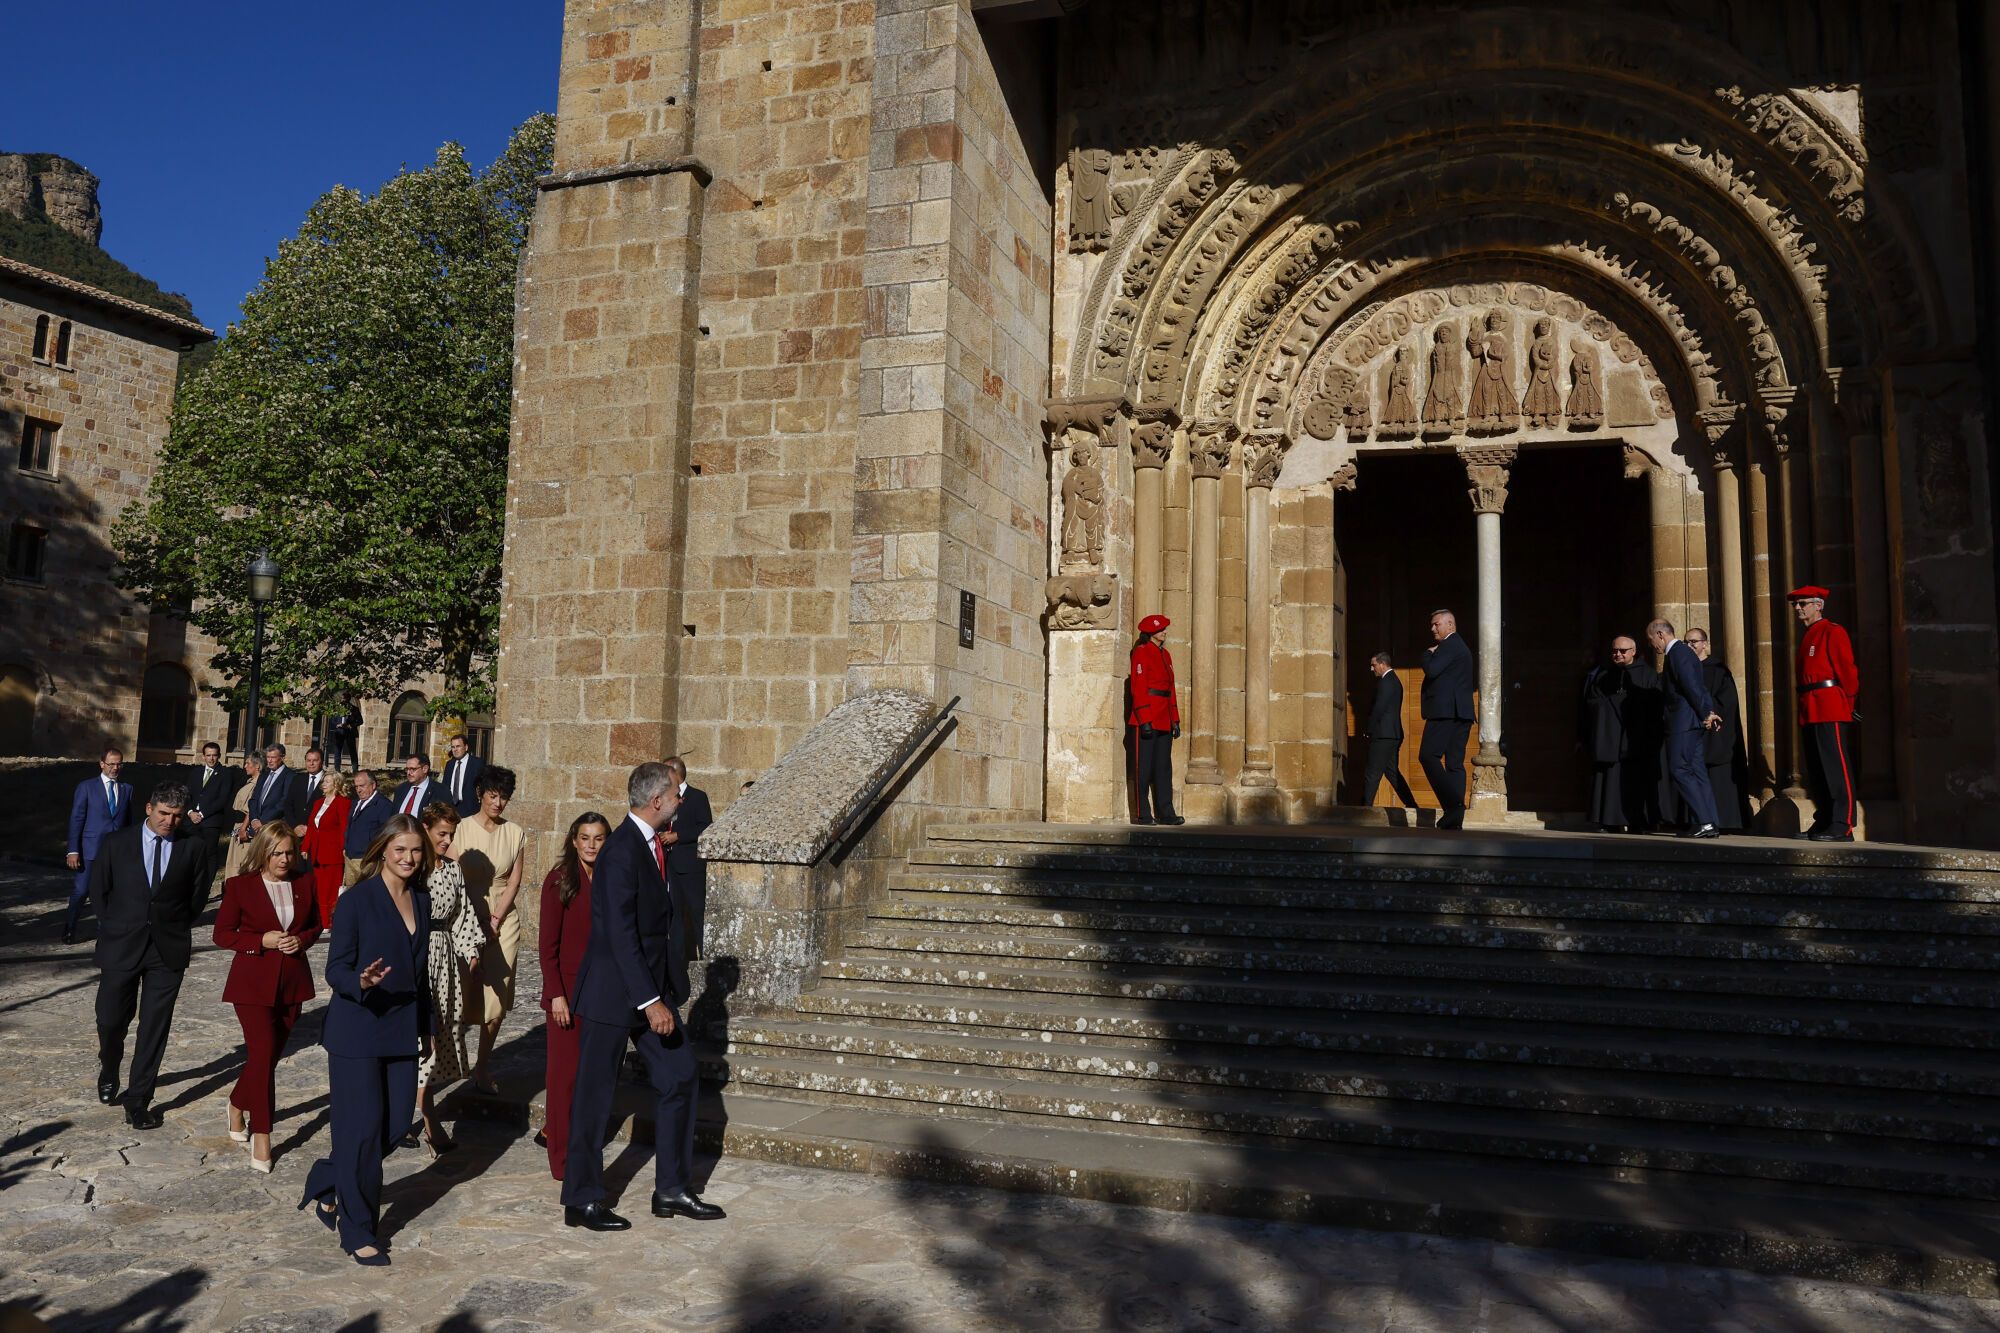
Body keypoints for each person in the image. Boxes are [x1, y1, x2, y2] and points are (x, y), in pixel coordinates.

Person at [561, 763, 722, 1231]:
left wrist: (661, 991)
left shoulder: (652, 845)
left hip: (650, 989)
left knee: (680, 1075)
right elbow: (619, 934)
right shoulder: (620, 851)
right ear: (657, 800)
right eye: (676, 793)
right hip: (615, 995)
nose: (681, 800)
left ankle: (671, 1189)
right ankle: (582, 1198)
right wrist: (651, 1002)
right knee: (594, 1097)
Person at [297, 815, 431, 1267]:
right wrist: (361, 980)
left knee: (393, 1127)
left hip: (402, 1028)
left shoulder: (423, 899)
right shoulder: (356, 901)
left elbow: (421, 974)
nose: (409, 859)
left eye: (416, 850)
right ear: (381, 852)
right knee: (360, 1132)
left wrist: (427, 1026)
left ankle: (328, 1178)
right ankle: (357, 1229)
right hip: (357, 1028)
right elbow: (335, 968)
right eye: (400, 850)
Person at [90, 780, 206, 1128]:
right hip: (121, 944)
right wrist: (118, 925)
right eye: (164, 814)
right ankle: (110, 1065)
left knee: (154, 1027)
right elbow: (100, 891)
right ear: (149, 809)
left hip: (167, 949)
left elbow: (197, 898)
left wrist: (173, 925)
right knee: (110, 1019)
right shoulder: (116, 843)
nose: (170, 821)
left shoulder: (193, 848)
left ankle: (139, 1100)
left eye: (177, 816)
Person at [213, 822, 321, 1171]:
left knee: (268, 1057)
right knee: (261, 1053)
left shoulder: (304, 882)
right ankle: (263, 1133)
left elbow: (316, 925)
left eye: (290, 852)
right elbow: (222, 934)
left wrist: (301, 940)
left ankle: (236, 1102)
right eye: (277, 853)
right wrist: (262, 941)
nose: (285, 859)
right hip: (252, 984)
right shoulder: (240, 887)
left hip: (292, 983)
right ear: (263, 852)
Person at [409, 803, 484, 1155]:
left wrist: (470, 952)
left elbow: (462, 912)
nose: (447, 840)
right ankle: (428, 1120)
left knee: (439, 1036)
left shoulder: (453, 871)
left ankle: (420, 1112)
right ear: (425, 829)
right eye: (442, 833)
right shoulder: (412, 868)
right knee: (419, 1039)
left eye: (451, 835)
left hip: (445, 957)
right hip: (416, 956)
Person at [539, 812, 610, 1180]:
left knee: (591, 1079)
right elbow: (546, 946)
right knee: (564, 1078)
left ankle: (584, 1150)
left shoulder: (612, 880)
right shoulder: (559, 881)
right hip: (566, 994)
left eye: (598, 838)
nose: (591, 845)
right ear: (573, 840)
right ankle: (562, 1161)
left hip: (603, 994)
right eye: (585, 837)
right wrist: (556, 996)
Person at [453, 766, 525, 1092]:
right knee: (462, 993)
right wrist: (476, 919)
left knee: (498, 996)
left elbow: (514, 880)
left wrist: (495, 919)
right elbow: (453, 879)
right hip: (465, 916)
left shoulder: (516, 833)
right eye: (493, 795)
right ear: (480, 793)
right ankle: (450, 1063)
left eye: (504, 797)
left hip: (503, 920)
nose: (499, 803)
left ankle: (482, 1066)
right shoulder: (460, 829)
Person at [1790, 586, 1861, 842]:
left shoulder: (1832, 631)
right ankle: (1826, 819)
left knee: (1836, 767)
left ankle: (1843, 824)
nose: (1798, 608)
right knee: (1818, 769)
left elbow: (1848, 672)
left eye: (1803, 603)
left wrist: (1848, 704)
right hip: (1810, 706)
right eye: (1795, 604)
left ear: (1818, 605)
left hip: (1830, 704)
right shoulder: (1809, 635)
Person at [1645, 618, 1722, 839]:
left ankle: (1705, 821)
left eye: (1652, 640)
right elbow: (1699, 686)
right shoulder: (1683, 653)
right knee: (1696, 771)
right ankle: (1709, 822)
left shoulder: (1677, 653)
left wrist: (1706, 713)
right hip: (1691, 721)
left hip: (1683, 722)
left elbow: (1691, 686)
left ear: (1660, 635)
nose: (1653, 646)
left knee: (1679, 768)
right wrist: (1707, 711)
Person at [1577, 637, 1663, 833]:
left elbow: (1654, 703)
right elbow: (1592, 701)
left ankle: (1637, 821)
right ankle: (1609, 820)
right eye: (1615, 651)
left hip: (1636, 739)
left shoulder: (1647, 674)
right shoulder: (1604, 676)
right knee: (1610, 779)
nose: (1618, 654)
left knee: (1636, 780)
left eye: (1623, 651)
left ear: (1633, 651)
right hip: (1610, 737)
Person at [1682, 628, 1749, 830]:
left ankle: (1725, 821)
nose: (1690, 645)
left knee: (1719, 777)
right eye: (1686, 642)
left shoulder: (1718, 670)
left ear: (1705, 644)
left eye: (1694, 641)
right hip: (1692, 730)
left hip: (1715, 733)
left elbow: (1727, 702)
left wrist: (1707, 711)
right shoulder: (1685, 669)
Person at [64, 746, 132, 944]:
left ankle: (104, 931)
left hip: (114, 852)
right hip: (89, 850)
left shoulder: (127, 789)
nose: (115, 768)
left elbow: (127, 822)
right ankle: (70, 927)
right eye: (111, 764)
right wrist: (73, 850)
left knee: (109, 892)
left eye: (119, 764)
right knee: (81, 891)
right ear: (102, 764)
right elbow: (77, 819)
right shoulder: (87, 787)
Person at [1418, 609, 1475, 830]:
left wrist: (1427, 653)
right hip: (1461, 713)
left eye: (1436, 624)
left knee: (1427, 756)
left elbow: (1432, 670)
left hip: (1445, 712)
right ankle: (1455, 819)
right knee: (1454, 764)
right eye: (1432, 625)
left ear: (1450, 625)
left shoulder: (1450, 645)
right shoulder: (1459, 646)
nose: (1432, 629)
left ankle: (1453, 807)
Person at [1128, 613, 1184, 825]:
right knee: (1143, 768)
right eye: (1161, 630)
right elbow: (1139, 687)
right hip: (1147, 717)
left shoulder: (1166, 655)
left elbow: (1170, 689)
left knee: (1163, 767)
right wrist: (1144, 718)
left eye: (1164, 629)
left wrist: (1174, 719)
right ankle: (1143, 813)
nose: (1165, 632)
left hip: (1164, 718)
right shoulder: (1141, 652)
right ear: (1150, 633)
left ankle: (1166, 812)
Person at [661, 756, 711, 961]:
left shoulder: (698, 797)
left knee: (697, 914)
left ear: (676, 773)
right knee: (674, 918)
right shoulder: (662, 798)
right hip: (669, 866)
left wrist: (678, 836)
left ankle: (705, 959)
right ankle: (678, 962)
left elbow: (705, 826)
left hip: (691, 868)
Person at [1359, 652, 1417, 809]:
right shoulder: (1393, 681)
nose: (1372, 669)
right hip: (1392, 734)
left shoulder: (1387, 682)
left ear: (1383, 664)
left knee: (1372, 773)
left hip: (1383, 735)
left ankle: (1365, 810)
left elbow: (1379, 708)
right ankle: (1412, 805)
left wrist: (1369, 730)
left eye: (1374, 665)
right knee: (1392, 773)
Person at [301, 769, 353, 924]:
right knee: (320, 889)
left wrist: (344, 848)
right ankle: (321, 919)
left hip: (333, 854)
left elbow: (344, 828)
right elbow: (311, 826)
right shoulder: (318, 803)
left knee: (331, 889)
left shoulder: (343, 803)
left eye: (328, 781)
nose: (324, 784)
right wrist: (305, 847)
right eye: (323, 781)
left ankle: (330, 921)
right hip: (317, 852)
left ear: (336, 784)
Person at [184, 740, 239, 887]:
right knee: (190, 853)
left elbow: (223, 798)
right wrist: (190, 812)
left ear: (219, 756)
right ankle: (190, 884)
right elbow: (187, 795)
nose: (211, 758)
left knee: (209, 854)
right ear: (203, 756)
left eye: (214, 755)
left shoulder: (225, 774)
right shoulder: (196, 773)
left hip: (211, 821)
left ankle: (206, 886)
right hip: (191, 821)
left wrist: (202, 814)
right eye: (208, 755)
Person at [344, 768, 392, 887]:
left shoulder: (383, 805)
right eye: (356, 787)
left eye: (362, 786)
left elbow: (385, 834)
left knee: (366, 894)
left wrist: (374, 856)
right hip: (350, 858)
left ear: (373, 785)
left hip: (368, 860)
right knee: (351, 895)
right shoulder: (355, 803)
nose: (359, 790)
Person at [247, 744, 306, 838]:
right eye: (268, 757)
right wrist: (254, 820)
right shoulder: (264, 775)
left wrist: (263, 821)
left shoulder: (290, 776)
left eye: (273, 757)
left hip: (274, 827)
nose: (269, 761)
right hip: (256, 827)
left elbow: (284, 802)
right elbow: (254, 799)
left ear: (282, 757)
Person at [223, 753, 262, 879]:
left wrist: (244, 828)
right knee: (234, 861)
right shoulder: (248, 781)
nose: (245, 766)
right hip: (238, 824)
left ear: (257, 766)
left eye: (248, 764)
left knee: (242, 862)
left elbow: (251, 809)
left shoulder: (259, 784)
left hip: (244, 826)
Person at [441, 735, 487, 819]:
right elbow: (445, 786)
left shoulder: (477, 763)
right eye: (453, 747)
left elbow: (484, 785)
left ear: (466, 747)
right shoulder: (449, 764)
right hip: (450, 808)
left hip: (470, 808)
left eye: (458, 746)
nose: (455, 749)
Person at [390, 753, 447, 818]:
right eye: (407, 769)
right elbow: (393, 816)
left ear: (425, 769)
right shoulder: (401, 789)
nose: (408, 773)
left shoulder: (440, 791)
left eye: (412, 769)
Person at [294, 748, 330, 835]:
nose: (311, 763)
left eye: (315, 760)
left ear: (321, 761)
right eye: (308, 760)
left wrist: (310, 828)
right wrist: (295, 826)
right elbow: (288, 804)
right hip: (295, 831)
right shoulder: (298, 779)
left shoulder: (329, 780)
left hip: (317, 832)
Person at [328, 701, 363, 772]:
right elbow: (332, 719)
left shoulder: (354, 709)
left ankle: (355, 770)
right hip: (339, 732)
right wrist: (337, 724)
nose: (344, 700)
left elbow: (360, 721)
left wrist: (350, 725)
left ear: (349, 699)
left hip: (350, 732)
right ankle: (337, 770)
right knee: (337, 751)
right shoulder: (337, 708)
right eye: (343, 698)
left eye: (346, 698)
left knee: (352, 751)